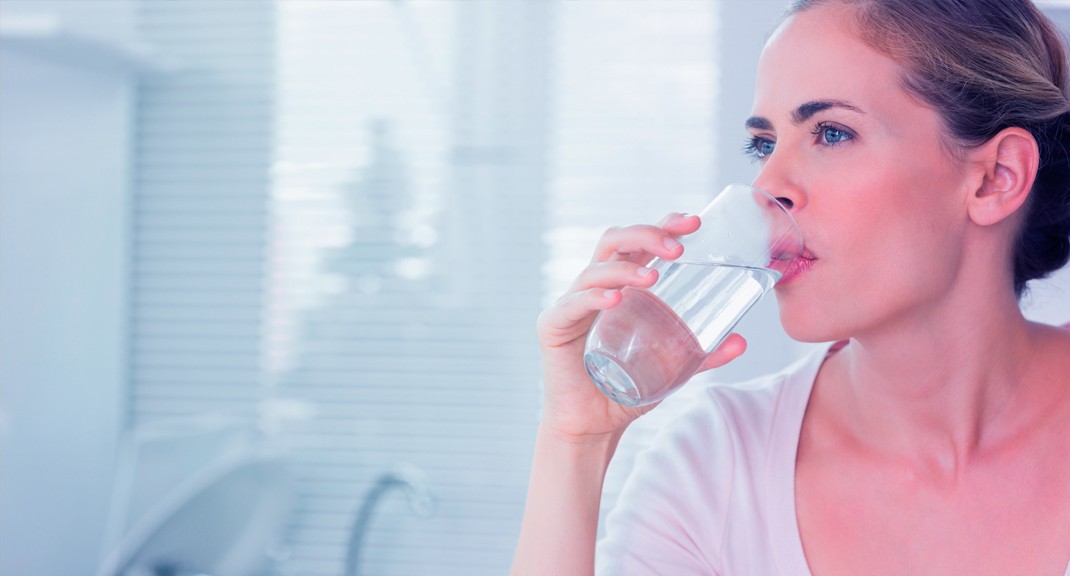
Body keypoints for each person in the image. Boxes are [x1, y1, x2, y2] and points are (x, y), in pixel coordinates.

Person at [511, 0, 1070, 574]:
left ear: (995, 178)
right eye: (764, 143)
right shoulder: (718, 468)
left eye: (831, 132)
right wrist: (574, 443)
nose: (768, 184)